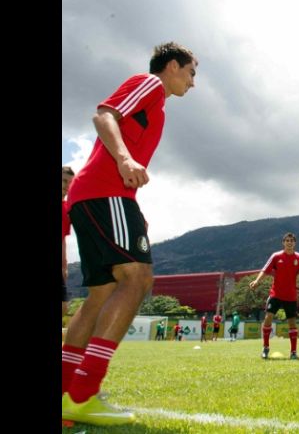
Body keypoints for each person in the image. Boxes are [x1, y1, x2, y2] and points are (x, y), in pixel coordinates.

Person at [61, 42, 198, 425]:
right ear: (172, 66)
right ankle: (84, 393)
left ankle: (67, 393)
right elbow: (104, 115)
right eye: (191, 72)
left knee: (101, 295)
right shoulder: (150, 84)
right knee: (137, 279)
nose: (193, 82)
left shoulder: (159, 109)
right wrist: (124, 159)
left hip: (94, 197)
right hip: (105, 193)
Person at [249, 232, 299, 360]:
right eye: (287, 240)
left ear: (295, 243)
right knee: (268, 317)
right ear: (283, 242)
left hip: (291, 296)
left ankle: (293, 352)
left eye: (292, 241)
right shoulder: (276, 256)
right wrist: (257, 281)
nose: (289, 243)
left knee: (292, 322)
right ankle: (265, 348)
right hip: (276, 294)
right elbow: (265, 270)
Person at [62, 166, 75, 318]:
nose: (67, 186)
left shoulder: (67, 208)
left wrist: (64, 266)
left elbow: (63, 239)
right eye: (64, 181)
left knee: (63, 308)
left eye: (70, 183)